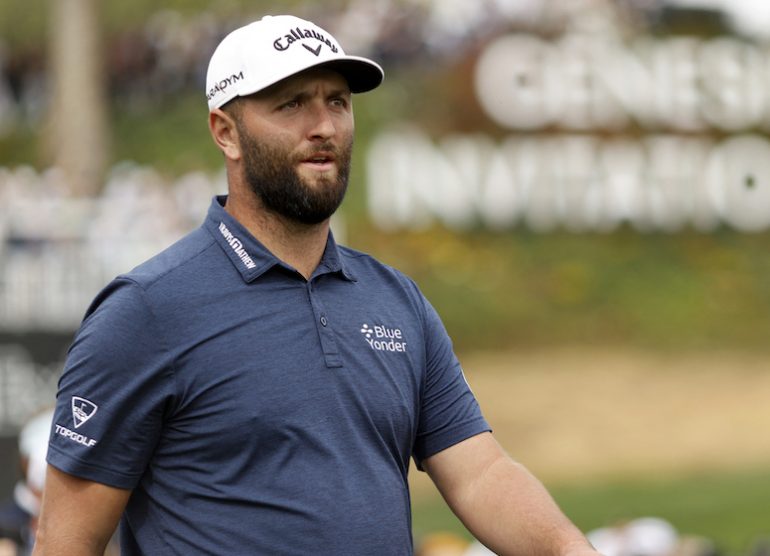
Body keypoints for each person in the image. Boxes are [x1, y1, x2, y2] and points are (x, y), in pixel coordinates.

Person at [33, 14, 601, 556]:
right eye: (292, 104)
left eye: (337, 101)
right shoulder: (147, 311)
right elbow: (67, 539)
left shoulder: (396, 301)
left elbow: (480, 474)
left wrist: (570, 548)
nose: (324, 126)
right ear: (226, 132)